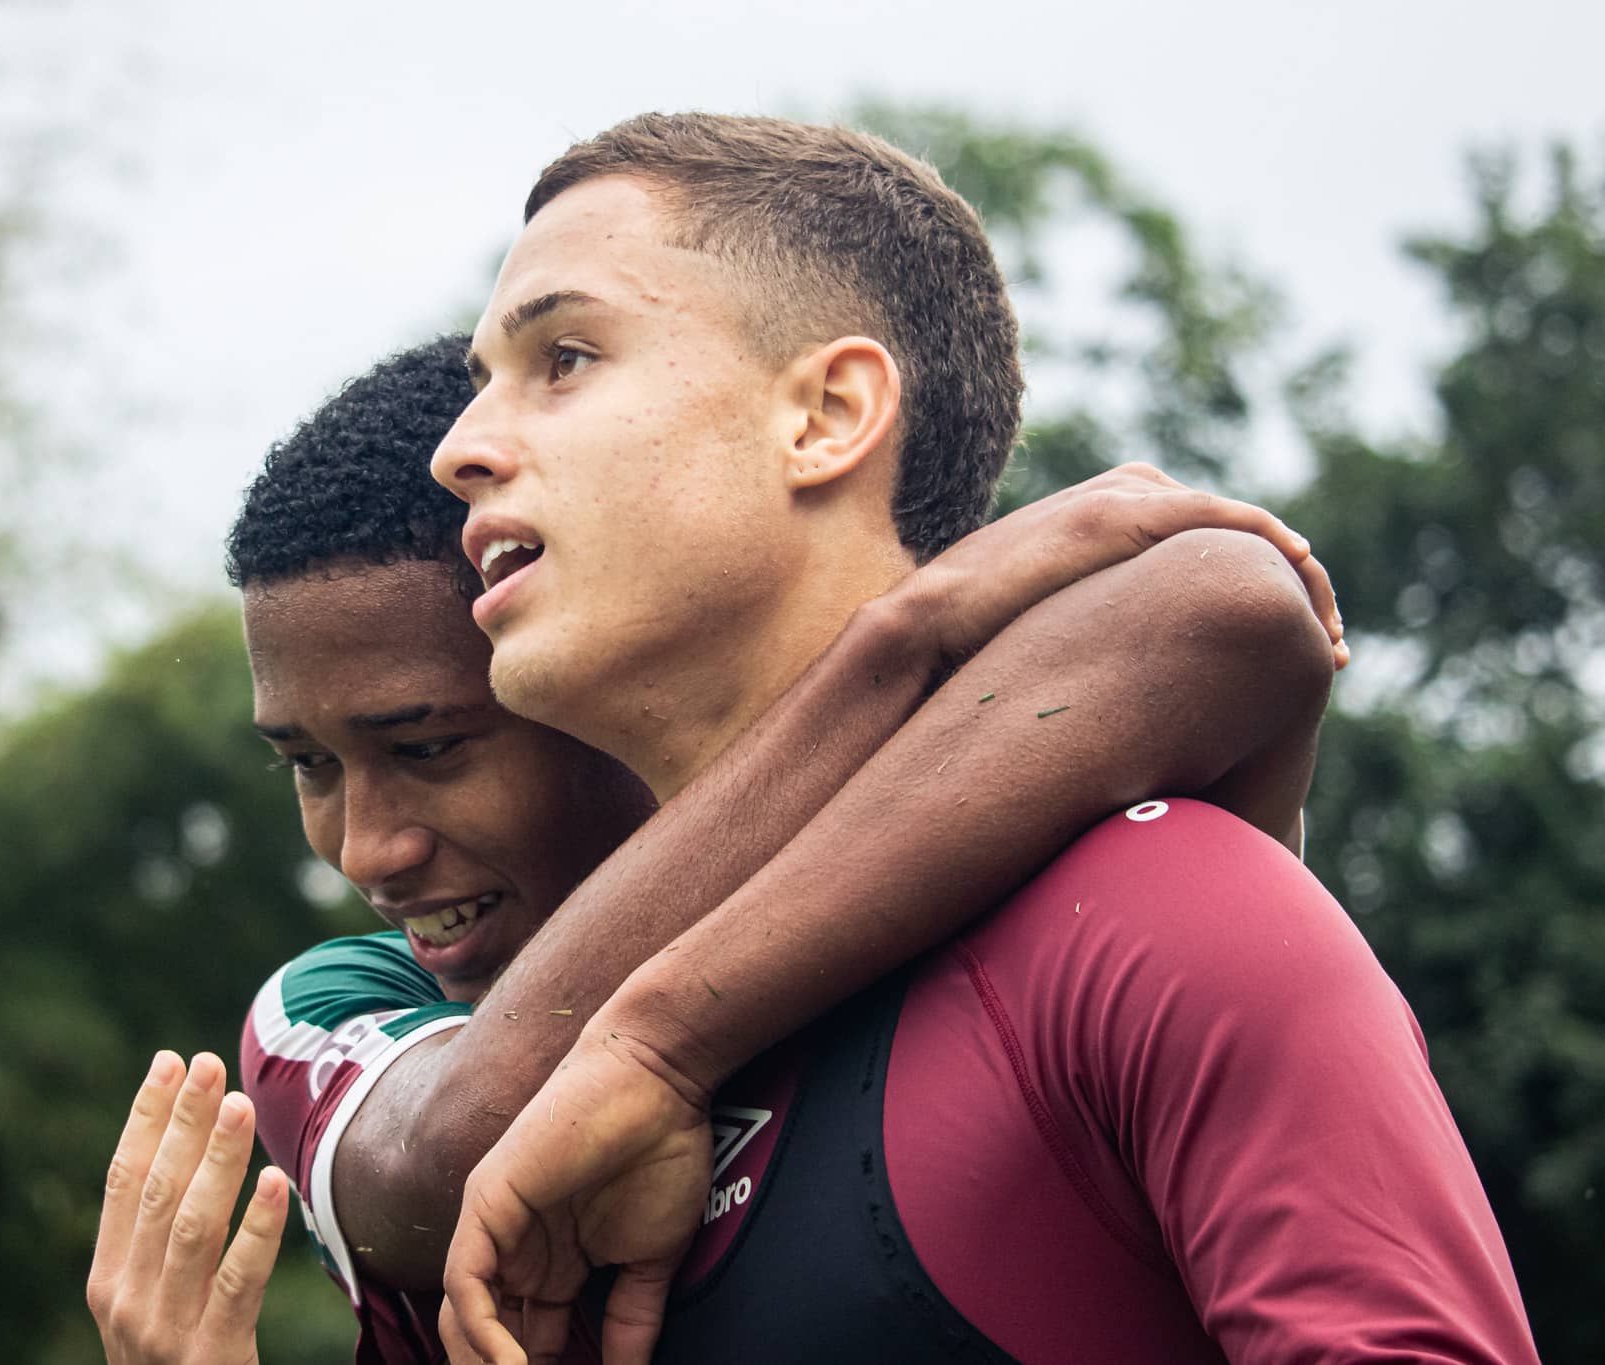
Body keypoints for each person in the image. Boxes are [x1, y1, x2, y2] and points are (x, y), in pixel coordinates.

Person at [435, 114, 1538, 1363]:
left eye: (564, 356)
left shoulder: (1158, 908)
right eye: (481, 382)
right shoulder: (521, 1017)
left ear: (826, 414)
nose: (458, 449)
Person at [89, 330, 1353, 1364]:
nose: (365, 849)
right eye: (307, 766)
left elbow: (1229, 607)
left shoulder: (1019, 937)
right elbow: (452, 1153)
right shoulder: (342, 1006)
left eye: (428, 747)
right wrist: (904, 640)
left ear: (579, 680)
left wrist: (896, 643)